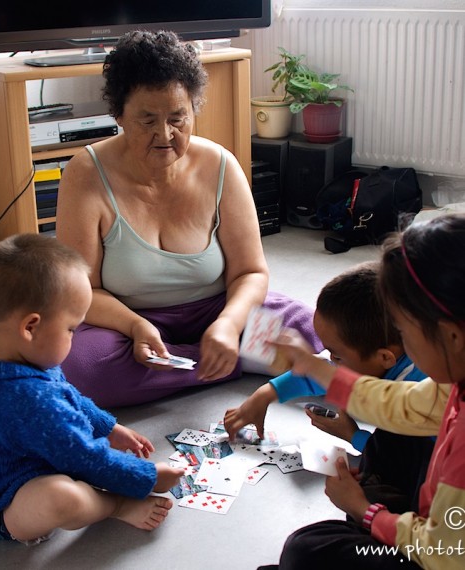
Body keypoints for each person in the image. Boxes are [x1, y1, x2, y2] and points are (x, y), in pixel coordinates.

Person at [56, 30, 322, 407]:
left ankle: (202, 358)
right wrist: (136, 326)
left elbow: (250, 272)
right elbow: (82, 291)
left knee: (312, 333)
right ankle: (230, 361)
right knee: (78, 369)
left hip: (218, 310)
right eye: (147, 121)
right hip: (125, 325)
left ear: (193, 110)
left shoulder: (220, 165)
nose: (165, 135)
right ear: (118, 115)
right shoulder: (86, 173)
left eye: (178, 118)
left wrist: (229, 324)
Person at [0, 234, 183, 545]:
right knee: (62, 498)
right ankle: (117, 506)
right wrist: (148, 476)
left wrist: (109, 427)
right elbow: (85, 458)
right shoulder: (27, 399)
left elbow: (66, 395)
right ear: (31, 327)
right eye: (71, 328)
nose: (74, 337)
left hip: (14, 467)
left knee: (67, 465)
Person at [260, 214, 465, 570]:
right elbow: (398, 404)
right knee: (395, 433)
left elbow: (443, 554)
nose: (401, 342)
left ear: (452, 336)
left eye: (403, 329)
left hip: (444, 554)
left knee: (306, 551)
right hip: (441, 522)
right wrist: (316, 368)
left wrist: (364, 510)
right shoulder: (453, 381)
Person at [224, 261, 436, 513]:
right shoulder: (398, 349)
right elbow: (323, 371)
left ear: (384, 358)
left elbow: (413, 463)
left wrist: (353, 436)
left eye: (336, 354)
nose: (329, 359)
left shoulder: (421, 394)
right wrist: (265, 394)